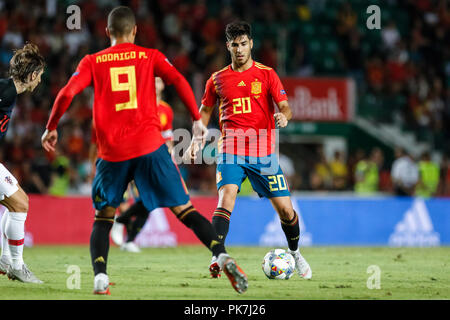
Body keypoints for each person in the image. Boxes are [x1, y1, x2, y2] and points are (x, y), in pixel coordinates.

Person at [41, 6, 247, 295]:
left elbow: (66, 93)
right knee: (185, 210)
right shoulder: (149, 56)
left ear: (107, 32)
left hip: (112, 153)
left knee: (103, 218)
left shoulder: (93, 61)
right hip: (151, 147)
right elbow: (178, 79)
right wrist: (196, 120)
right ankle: (220, 253)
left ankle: (100, 277)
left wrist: (51, 126)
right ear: (135, 31)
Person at [185, 21, 311, 280]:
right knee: (227, 196)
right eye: (234, 45)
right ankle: (217, 255)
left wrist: (285, 117)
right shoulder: (217, 79)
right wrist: (196, 140)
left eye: (243, 44)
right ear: (227, 46)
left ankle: (295, 253)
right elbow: (206, 111)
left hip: (263, 153)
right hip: (230, 149)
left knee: (286, 212)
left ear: (251, 44)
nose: (239, 49)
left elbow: (285, 106)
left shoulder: (267, 74)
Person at [111, 77, 174, 253]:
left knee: (149, 201)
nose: (155, 84)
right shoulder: (137, 105)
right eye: (152, 80)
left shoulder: (166, 110)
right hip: (136, 157)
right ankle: (127, 235)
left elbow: (168, 135)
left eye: (159, 81)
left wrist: (169, 154)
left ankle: (123, 225)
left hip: (155, 160)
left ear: (163, 85)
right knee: (147, 199)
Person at [0, 43, 45, 283]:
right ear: (32, 75)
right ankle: (16, 265)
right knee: (20, 204)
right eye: (39, 76)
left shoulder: (9, 93)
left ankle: (6, 260)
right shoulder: (5, 90)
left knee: (15, 203)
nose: (39, 81)